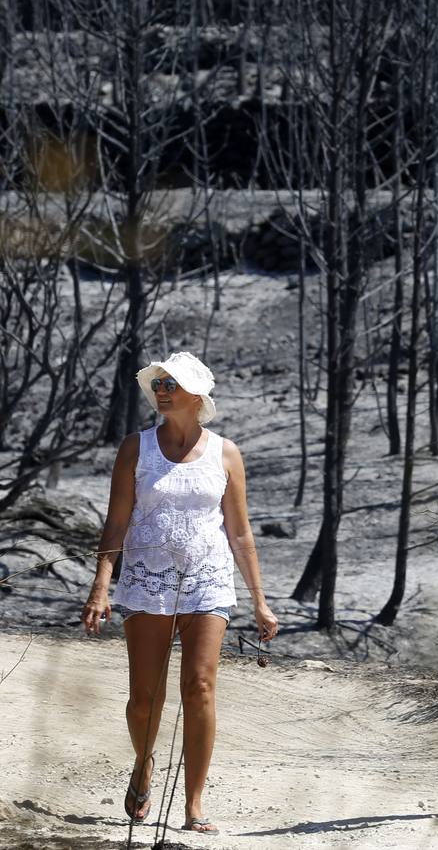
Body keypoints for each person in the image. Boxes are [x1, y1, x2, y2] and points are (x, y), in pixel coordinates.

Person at [80, 351, 278, 836]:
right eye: (159, 382)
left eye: (173, 383)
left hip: (209, 581)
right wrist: (101, 585)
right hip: (148, 579)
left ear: (198, 395)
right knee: (145, 698)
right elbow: (117, 520)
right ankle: (144, 763)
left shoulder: (225, 452)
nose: (162, 389)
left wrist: (259, 599)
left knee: (201, 688)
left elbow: (241, 533)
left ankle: (194, 804)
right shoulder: (136, 448)